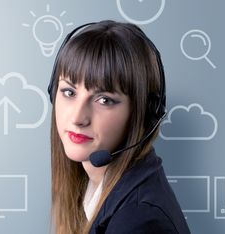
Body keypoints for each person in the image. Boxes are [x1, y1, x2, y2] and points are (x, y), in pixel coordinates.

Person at [48, 20, 190, 233]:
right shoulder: (96, 189)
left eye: (104, 100)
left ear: (141, 113)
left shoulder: (139, 220)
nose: (78, 118)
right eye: (69, 92)